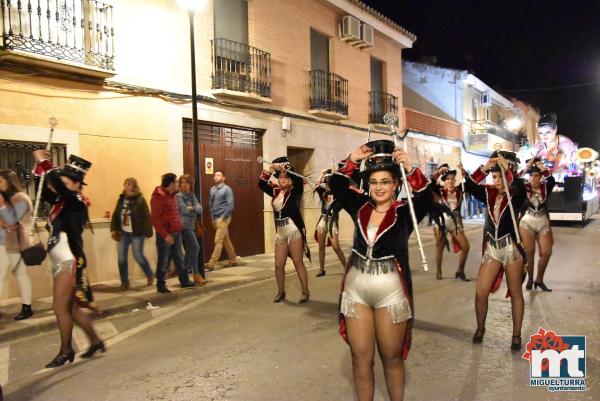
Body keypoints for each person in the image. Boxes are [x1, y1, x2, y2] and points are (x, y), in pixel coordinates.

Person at [330, 140, 439, 401]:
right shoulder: (361, 206)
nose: (379, 187)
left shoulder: (405, 212)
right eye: (375, 182)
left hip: (391, 291)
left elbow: (426, 196)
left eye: (386, 181)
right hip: (356, 289)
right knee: (360, 357)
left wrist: (411, 168)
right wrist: (352, 159)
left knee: (391, 357)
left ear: (395, 186)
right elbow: (337, 185)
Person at [33, 151, 104, 368]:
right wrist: (40, 171)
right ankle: (95, 340)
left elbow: (56, 185)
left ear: (76, 184)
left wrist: (44, 163)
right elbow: (43, 190)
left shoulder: (77, 202)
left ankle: (66, 350)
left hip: (67, 258)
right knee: (71, 308)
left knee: (59, 307)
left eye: (64, 181)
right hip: (59, 259)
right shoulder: (61, 200)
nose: (58, 184)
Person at [459, 151, 527, 352]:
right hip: (492, 248)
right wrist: (485, 168)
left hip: (511, 249)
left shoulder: (516, 195)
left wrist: (508, 170)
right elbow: (469, 185)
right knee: (481, 291)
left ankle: (516, 335)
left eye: (501, 176)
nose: (497, 180)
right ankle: (480, 329)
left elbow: (521, 189)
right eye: (494, 176)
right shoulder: (488, 193)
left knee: (515, 293)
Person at [258, 157, 310, 303]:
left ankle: (305, 291)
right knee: (278, 265)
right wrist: (270, 170)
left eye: (286, 177)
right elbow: (261, 184)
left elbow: (299, 180)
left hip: (294, 230)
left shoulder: (296, 191)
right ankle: (281, 292)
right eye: (280, 177)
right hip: (280, 232)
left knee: (297, 262)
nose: (283, 179)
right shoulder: (275, 191)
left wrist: (285, 167)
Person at [150, 173, 196, 293]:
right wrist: (165, 235)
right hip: (165, 235)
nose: (178, 184)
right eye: (176, 182)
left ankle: (184, 281)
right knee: (163, 261)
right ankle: (161, 285)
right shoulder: (158, 197)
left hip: (176, 232)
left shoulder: (173, 195)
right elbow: (155, 219)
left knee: (179, 258)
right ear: (170, 184)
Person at [0, 170, 34, 320]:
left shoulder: (21, 198)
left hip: (16, 244)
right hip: (2, 242)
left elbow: (12, 220)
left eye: (0, 181)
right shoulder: (6, 199)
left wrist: (1, 207)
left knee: (21, 275)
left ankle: (27, 307)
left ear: (9, 181)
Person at [110, 177, 154, 290]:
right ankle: (125, 282)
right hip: (123, 232)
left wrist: (148, 231)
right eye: (125, 184)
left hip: (137, 233)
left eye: (129, 184)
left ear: (134, 186)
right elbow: (116, 214)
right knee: (121, 258)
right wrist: (113, 228)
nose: (126, 186)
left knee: (138, 256)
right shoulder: (121, 199)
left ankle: (149, 274)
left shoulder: (140, 199)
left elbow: (146, 215)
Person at [518, 159, 555, 291]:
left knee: (547, 252)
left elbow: (552, 180)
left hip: (542, 220)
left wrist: (541, 166)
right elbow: (515, 180)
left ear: (540, 177)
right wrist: (527, 166)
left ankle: (539, 280)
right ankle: (530, 279)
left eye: (536, 176)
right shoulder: (524, 187)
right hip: (526, 221)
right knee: (529, 253)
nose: (533, 178)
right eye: (531, 175)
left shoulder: (545, 187)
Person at [433, 169, 470, 281]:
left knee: (465, 246)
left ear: (455, 180)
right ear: (444, 181)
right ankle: (439, 271)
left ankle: (460, 271)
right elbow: (429, 183)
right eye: (447, 179)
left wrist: (464, 173)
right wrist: (438, 173)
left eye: (452, 179)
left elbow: (470, 184)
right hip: (441, 221)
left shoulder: (460, 191)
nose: (450, 181)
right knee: (440, 246)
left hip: (456, 222)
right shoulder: (439, 191)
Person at [176, 174, 209, 285]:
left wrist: (191, 208)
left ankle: (184, 274)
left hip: (191, 226)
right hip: (184, 227)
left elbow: (200, 209)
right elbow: (184, 211)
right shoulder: (179, 196)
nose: (184, 185)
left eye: (187, 183)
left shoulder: (192, 195)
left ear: (191, 184)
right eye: (182, 183)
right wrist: (192, 209)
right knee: (195, 247)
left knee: (190, 251)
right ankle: (196, 274)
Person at [314, 169, 347, 277]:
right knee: (321, 246)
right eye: (326, 180)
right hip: (323, 220)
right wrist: (322, 173)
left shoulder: (338, 194)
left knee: (336, 246)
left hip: (333, 220)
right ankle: (321, 269)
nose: (327, 182)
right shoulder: (323, 193)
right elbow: (317, 185)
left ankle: (347, 268)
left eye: (329, 180)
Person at [206, 170, 238, 271]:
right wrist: (212, 218)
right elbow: (210, 204)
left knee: (218, 240)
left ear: (223, 178)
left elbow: (230, 205)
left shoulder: (227, 189)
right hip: (215, 218)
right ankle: (233, 259)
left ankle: (212, 263)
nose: (216, 177)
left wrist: (222, 218)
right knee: (225, 239)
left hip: (224, 218)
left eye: (218, 175)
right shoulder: (212, 189)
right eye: (215, 175)